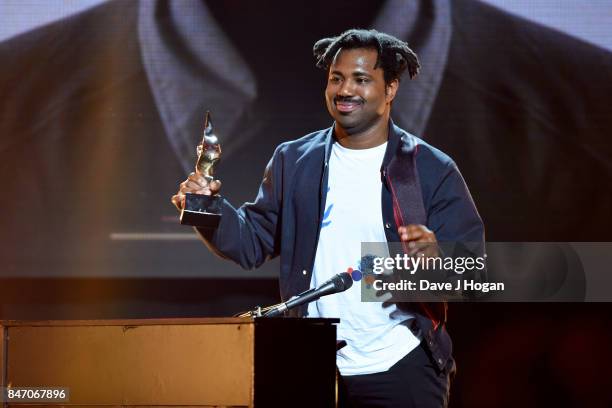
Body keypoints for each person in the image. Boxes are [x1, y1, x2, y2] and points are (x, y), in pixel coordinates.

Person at [172, 29, 484, 408]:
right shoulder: (293, 159)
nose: (345, 89)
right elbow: (252, 242)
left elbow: (470, 272)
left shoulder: (431, 168)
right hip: (312, 364)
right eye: (336, 78)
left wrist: (435, 260)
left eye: (361, 79)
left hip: (401, 365)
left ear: (390, 90)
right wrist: (207, 208)